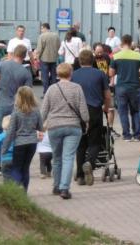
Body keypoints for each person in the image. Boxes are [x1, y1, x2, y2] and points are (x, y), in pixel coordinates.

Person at [42, 63, 89, 200]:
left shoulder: (51, 89)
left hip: (54, 127)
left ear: (57, 74)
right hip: (73, 127)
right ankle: (64, 188)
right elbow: (84, 111)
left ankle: (56, 186)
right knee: (68, 157)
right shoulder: (77, 88)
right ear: (71, 73)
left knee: (57, 158)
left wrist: (40, 125)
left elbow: (44, 110)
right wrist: (86, 120)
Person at [72, 49, 114, 186]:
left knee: (81, 144)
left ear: (79, 61)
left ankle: (79, 175)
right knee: (94, 141)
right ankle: (90, 162)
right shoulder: (100, 74)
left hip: (78, 112)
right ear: (93, 60)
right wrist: (106, 108)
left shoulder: (74, 75)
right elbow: (107, 95)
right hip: (95, 110)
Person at [2, 86, 43, 191]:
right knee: (26, 168)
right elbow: (40, 127)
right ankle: (24, 191)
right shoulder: (36, 111)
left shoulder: (16, 112)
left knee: (17, 168)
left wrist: (4, 148)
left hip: (19, 143)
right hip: (32, 143)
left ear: (18, 97)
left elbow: (10, 132)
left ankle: (16, 189)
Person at [109, 34, 140, 141]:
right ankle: (137, 135)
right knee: (135, 111)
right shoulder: (137, 55)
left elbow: (111, 73)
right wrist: (136, 73)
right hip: (134, 86)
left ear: (122, 43)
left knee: (123, 111)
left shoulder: (116, 56)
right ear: (131, 43)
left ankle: (126, 135)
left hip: (121, 86)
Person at [0, 44, 33, 136]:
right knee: (13, 133)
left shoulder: (1, 65)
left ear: (14, 53)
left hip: (0, 103)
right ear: (24, 56)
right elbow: (27, 95)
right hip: (16, 106)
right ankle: (9, 150)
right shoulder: (26, 73)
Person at [36, 22, 61, 94]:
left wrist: (37, 57)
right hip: (54, 59)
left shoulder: (42, 36)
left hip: (44, 59)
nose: (41, 30)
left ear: (45, 28)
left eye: (41, 28)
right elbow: (59, 46)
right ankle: (54, 92)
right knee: (54, 76)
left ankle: (46, 92)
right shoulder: (56, 36)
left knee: (45, 77)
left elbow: (40, 49)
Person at [0, 116, 13, 181]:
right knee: (14, 176)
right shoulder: (16, 135)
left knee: (6, 176)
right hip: (15, 159)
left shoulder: (1, 136)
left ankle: (7, 188)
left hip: (5, 159)